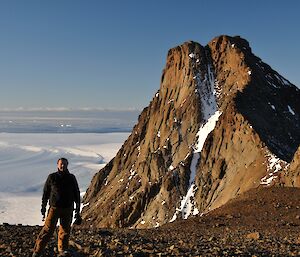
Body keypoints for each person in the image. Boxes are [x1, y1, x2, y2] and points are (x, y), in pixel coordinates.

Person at [32, 158, 81, 257]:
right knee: (48, 230)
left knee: (65, 230)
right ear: (57, 165)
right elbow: (46, 193)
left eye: (64, 164)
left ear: (67, 165)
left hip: (68, 208)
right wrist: (43, 206)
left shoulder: (71, 178)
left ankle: (62, 250)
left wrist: (77, 210)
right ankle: (37, 251)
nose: (63, 166)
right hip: (54, 208)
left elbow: (76, 193)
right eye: (61, 164)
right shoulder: (52, 177)